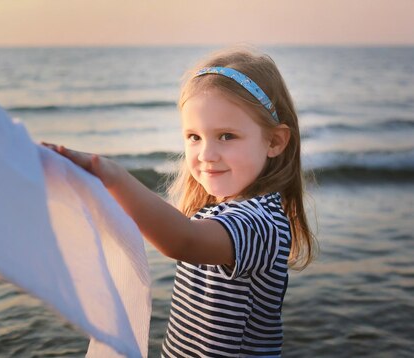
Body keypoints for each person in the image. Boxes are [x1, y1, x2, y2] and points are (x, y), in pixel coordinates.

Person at [44, 46, 317, 357]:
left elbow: (183, 241)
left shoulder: (260, 223)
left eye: (226, 136)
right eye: (194, 137)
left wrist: (112, 176)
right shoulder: (218, 212)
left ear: (274, 141)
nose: (206, 154)